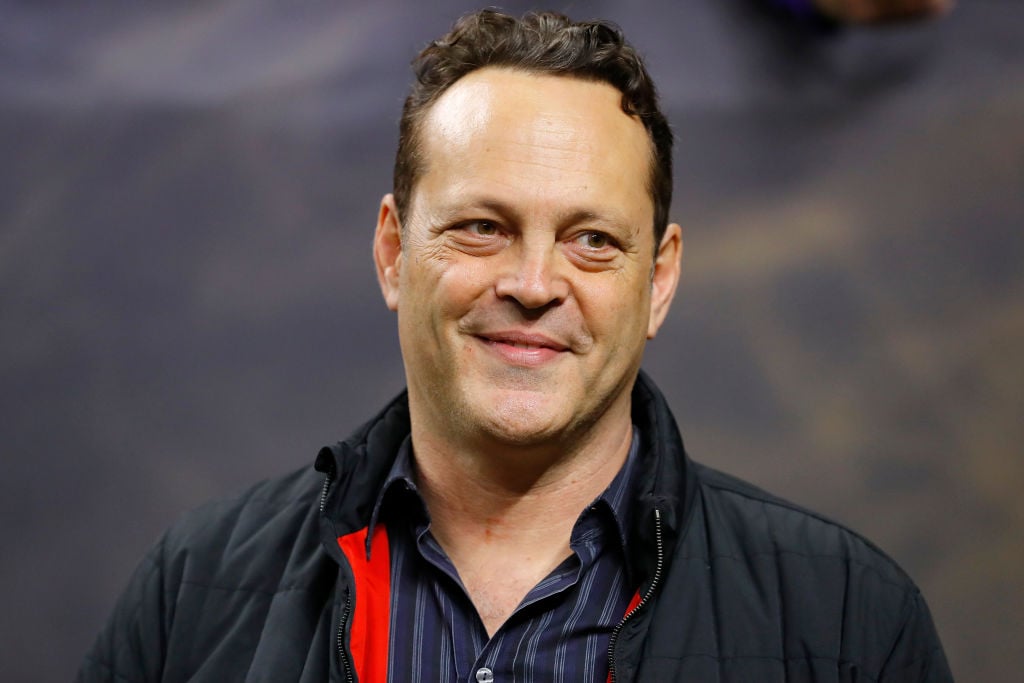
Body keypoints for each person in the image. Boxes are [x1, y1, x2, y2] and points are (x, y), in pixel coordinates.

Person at [77, 9, 953, 682]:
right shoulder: (193, 593)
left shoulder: (846, 621)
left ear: (659, 279)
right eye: (482, 227)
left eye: (592, 241)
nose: (534, 284)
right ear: (392, 251)